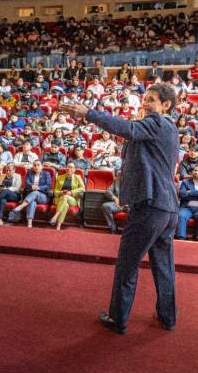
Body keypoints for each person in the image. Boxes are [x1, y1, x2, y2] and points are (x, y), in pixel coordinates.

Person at [60, 82, 179, 334]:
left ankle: (118, 318)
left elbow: (128, 129)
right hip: (167, 208)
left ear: (166, 105)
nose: (145, 102)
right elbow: (132, 141)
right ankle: (167, 317)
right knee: (163, 265)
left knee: (127, 263)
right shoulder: (167, 128)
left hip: (149, 206)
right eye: (144, 98)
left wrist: (88, 113)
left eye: (152, 99)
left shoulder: (157, 123)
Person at [8, 160, 52, 227]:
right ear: (32, 166)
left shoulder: (47, 174)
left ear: (42, 166)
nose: (36, 167)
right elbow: (27, 183)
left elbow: (48, 185)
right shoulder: (30, 173)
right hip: (31, 196)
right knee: (32, 202)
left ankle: (21, 206)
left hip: (43, 196)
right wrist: (32, 186)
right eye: (34, 165)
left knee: (35, 193)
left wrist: (38, 188)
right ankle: (29, 223)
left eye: (38, 165)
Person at [175, 165, 198, 240]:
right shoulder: (185, 182)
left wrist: (190, 192)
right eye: (195, 170)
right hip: (187, 207)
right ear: (192, 172)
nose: (196, 172)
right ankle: (181, 237)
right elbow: (182, 194)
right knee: (181, 215)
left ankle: (196, 235)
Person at [49, 162, 85, 231]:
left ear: (74, 170)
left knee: (65, 197)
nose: (69, 168)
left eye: (71, 167)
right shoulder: (60, 177)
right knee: (65, 205)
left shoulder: (78, 177)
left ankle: (55, 216)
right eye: (68, 167)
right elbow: (55, 191)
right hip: (59, 198)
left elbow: (82, 188)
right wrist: (61, 192)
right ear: (65, 169)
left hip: (73, 199)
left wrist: (71, 192)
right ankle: (58, 226)